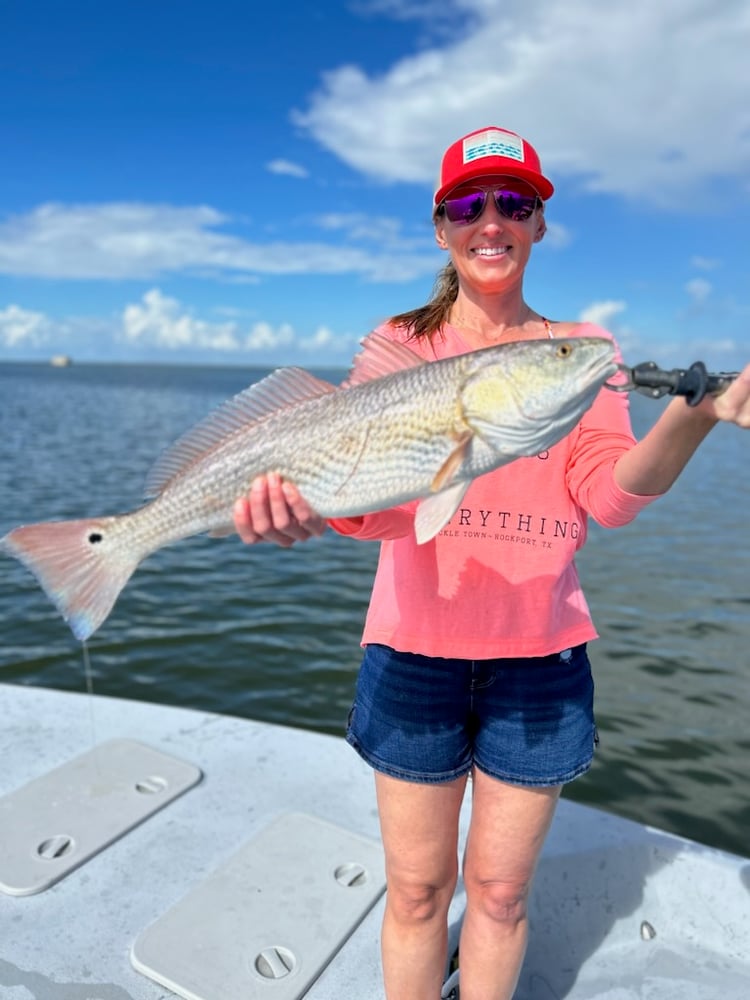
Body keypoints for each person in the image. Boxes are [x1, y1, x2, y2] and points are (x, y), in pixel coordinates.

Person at [233, 126, 750, 1000]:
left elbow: (610, 497)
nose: (492, 220)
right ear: (442, 227)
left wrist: (697, 416)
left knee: (503, 896)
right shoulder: (401, 342)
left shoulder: (582, 349)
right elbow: (380, 513)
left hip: (538, 665)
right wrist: (307, 510)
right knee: (419, 890)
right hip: (412, 657)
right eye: (470, 205)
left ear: (540, 224)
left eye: (514, 203)